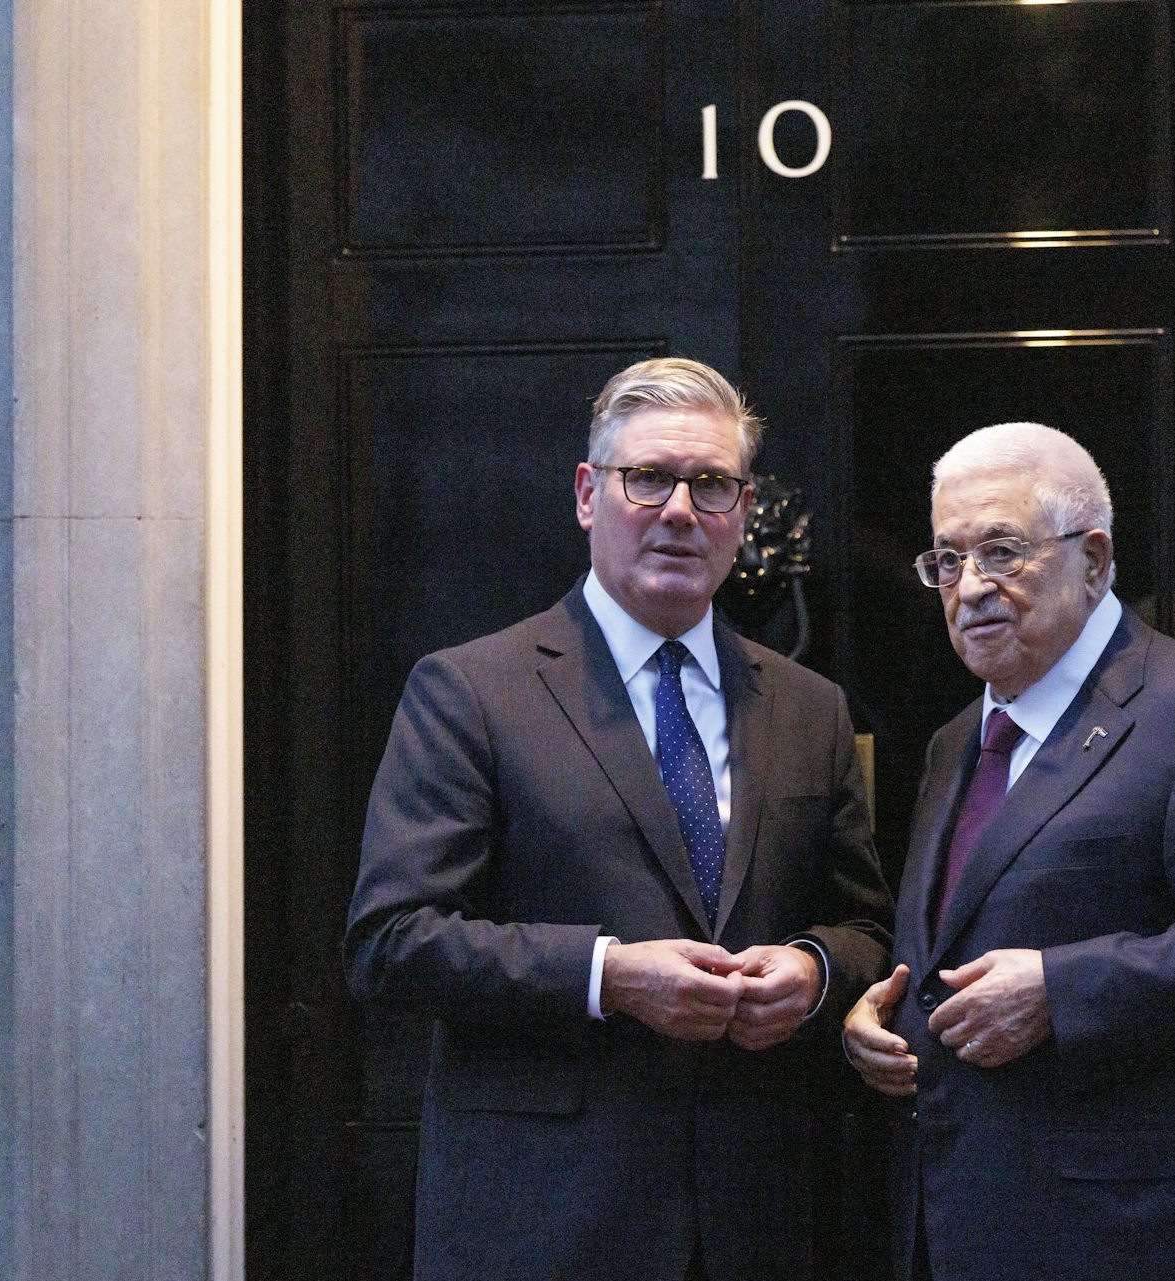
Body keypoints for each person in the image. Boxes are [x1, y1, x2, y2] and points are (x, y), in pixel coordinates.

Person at [344, 357, 893, 1281]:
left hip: (760, 1221)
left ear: (742, 511)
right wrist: (610, 975)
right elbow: (390, 943)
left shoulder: (811, 708)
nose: (680, 510)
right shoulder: (473, 691)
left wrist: (813, 968)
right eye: (648, 478)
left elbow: (868, 927)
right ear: (587, 494)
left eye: (711, 484)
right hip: (546, 1225)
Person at [842, 422, 1175, 1281]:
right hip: (967, 1224)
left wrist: (1060, 990)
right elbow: (974, 933)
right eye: (948, 561)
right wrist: (886, 1016)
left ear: (1095, 560)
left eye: (1002, 552)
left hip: (1142, 1239)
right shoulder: (956, 741)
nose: (971, 587)